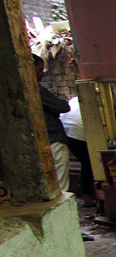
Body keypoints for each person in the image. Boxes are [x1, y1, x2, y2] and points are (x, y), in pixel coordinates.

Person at [33, 54, 72, 192]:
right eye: (39, 70)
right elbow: (63, 107)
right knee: (60, 187)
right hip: (53, 141)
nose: (42, 75)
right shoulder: (35, 90)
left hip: (43, 142)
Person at [60, 95, 98, 207]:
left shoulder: (75, 99)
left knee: (86, 164)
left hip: (65, 131)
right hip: (78, 133)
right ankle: (88, 197)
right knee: (89, 164)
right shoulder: (94, 99)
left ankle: (88, 197)